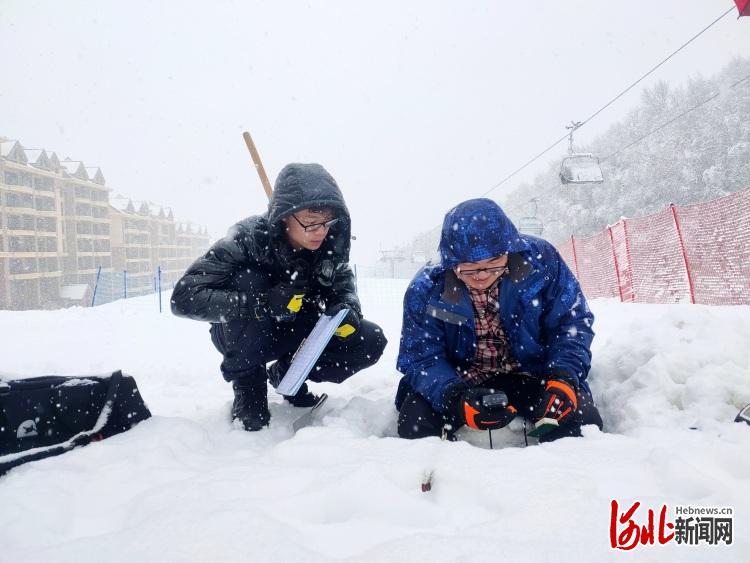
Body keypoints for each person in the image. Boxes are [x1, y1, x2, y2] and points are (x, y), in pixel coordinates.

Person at [172, 163, 387, 431]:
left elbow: (343, 287)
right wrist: (262, 302)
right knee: (249, 277)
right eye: (310, 223)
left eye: (327, 222)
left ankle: (287, 373)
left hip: (296, 328)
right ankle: (248, 389)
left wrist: (346, 310)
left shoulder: (329, 246)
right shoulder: (248, 237)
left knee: (369, 339)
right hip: (242, 332)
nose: (321, 231)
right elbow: (184, 297)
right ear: (285, 216)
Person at [395, 198, 602, 442]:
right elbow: (421, 356)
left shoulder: (542, 262)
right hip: (462, 380)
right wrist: (454, 397)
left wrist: (564, 377)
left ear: (509, 249)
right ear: (451, 261)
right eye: (470, 267)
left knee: (582, 422)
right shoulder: (426, 288)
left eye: (494, 263)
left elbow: (572, 324)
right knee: (414, 424)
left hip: (532, 374)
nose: (482, 275)